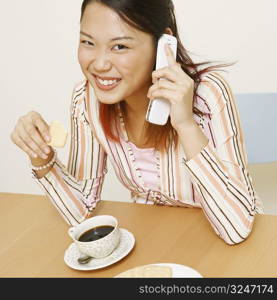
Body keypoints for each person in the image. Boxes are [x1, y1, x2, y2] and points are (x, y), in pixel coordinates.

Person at [10, 0, 263, 245]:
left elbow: (236, 229)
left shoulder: (208, 95)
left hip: (226, 245)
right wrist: (41, 157)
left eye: (119, 46)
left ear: (163, 45)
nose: (99, 64)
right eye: (88, 42)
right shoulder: (86, 100)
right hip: (154, 241)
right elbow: (81, 212)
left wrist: (186, 124)